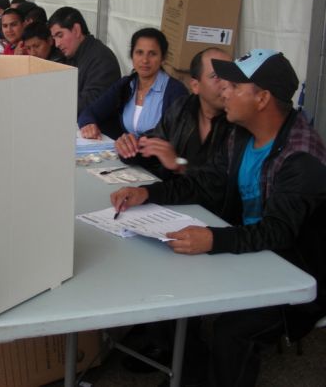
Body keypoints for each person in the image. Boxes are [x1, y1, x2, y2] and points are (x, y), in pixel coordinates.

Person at [110, 49, 326, 387]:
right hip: (249, 250)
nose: (224, 91)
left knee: (233, 331)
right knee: (168, 285)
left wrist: (214, 239)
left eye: (235, 86)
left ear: (262, 99)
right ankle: (191, 373)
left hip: (292, 271)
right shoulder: (241, 135)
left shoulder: (301, 157)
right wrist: (147, 193)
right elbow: (204, 183)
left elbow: (279, 233)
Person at [118, 47, 233, 179]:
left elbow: (220, 182)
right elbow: (154, 145)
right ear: (195, 86)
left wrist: (179, 165)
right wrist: (130, 148)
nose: (227, 84)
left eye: (231, 75)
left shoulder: (237, 121)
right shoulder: (183, 108)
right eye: (216, 76)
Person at [78, 28, 187, 141]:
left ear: (163, 58)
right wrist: (87, 123)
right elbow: (90, 111)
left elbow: (176, 137)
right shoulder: (126, 84)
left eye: (152, 54)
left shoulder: (176, 91)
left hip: (153, 152)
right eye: (139, 53)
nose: (145, 60)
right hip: (128, 151)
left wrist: (136, 144)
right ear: (132, 56)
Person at [49, 6, 121, 114]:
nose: (57, 44)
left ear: (76, 30)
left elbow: (93, 103)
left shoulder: (102, 58)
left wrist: (54, 104)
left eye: (60, 35)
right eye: (54, 38)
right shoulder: (71, 56)